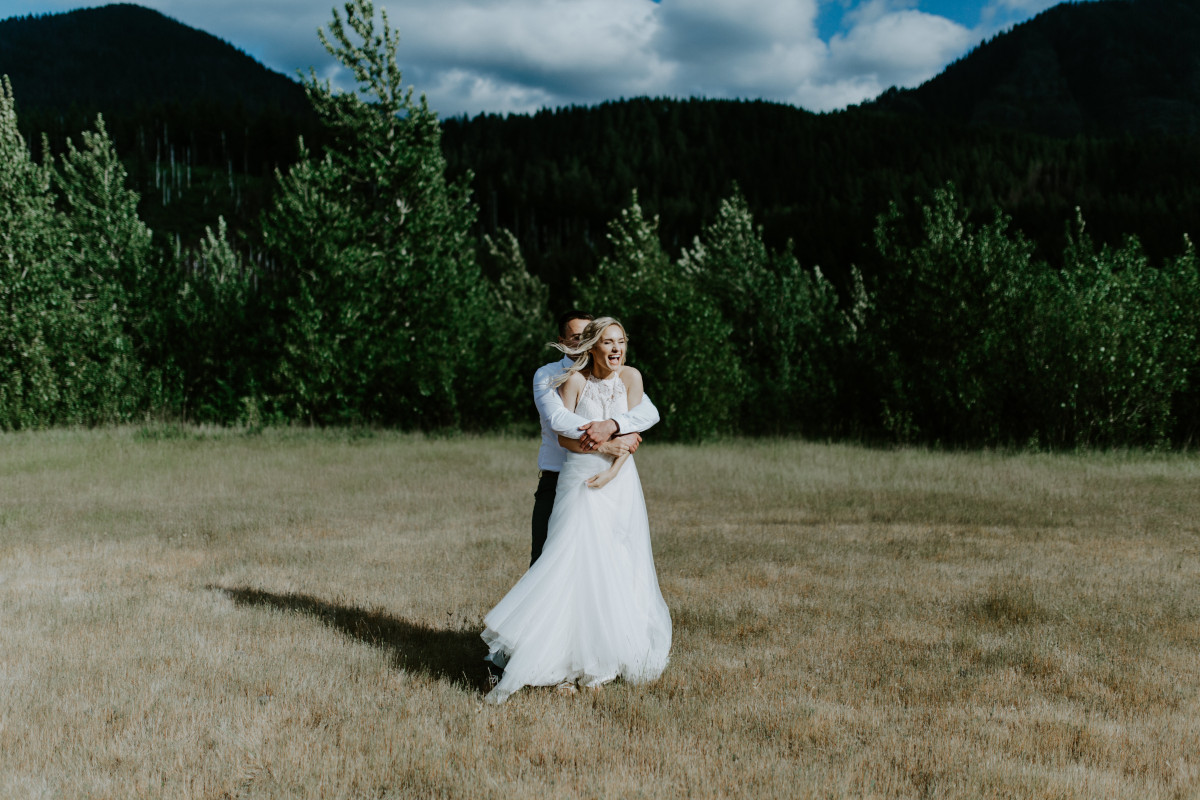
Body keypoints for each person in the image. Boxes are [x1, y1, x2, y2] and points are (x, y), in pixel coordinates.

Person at [482, 317, 672, 703]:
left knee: (617, 565)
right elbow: (562, 434)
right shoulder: (565, 379)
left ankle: (605, 657)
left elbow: (638, 428)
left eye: (621, 341)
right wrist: (604, 443)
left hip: (621, 484)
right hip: (579, 480)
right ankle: (557, 662)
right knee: (567, 565)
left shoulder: (631, 378)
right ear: (587, 346)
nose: (615, 348)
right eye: (606, 342)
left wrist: (616, 460)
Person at [529, 310, 660, 565]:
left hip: (617, 478)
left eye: (588, 335)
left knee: (612, 558)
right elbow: (559, 422)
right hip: (561, 475)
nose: (582, 341)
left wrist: (615, 425)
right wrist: (608, 441)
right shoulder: (550, 375)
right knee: (548, 560)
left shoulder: (625, 376)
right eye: (576, 336)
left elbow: (646, 413)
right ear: (563, 339)